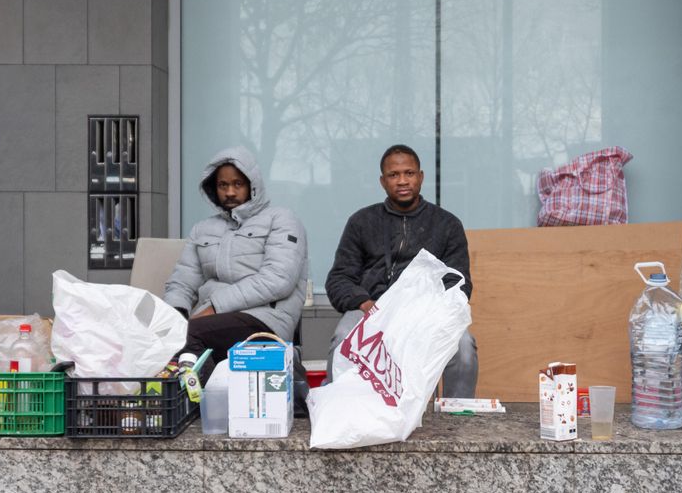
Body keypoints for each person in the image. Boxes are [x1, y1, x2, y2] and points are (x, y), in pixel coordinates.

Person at [324, 144, 478, 397]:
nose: (402, 181)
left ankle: (456, 422)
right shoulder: (362, 222)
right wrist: (363, 303)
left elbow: (458, 284)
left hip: (427, 312)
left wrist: (427, 309)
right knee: (343, 337)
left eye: (409, 173)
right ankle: (340, 413)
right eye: (394, 175)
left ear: (421, 177)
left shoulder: (447, 224)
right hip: (372, 311)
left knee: (463, 346)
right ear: (383, 181)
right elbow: (340, 278)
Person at [164, 146, 308, 385]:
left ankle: (205, 401)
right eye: (223, 185)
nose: (230, 192)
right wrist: (174, 315)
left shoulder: (281, 219)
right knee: (165, 338)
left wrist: (214, 308)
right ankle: (205, 399)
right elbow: (182, 281)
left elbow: (278, 279)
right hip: (211, 321)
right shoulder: (202, 229)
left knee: (189, 335)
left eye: (237, 184)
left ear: (252, 185)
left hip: (264, 320)